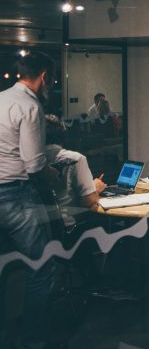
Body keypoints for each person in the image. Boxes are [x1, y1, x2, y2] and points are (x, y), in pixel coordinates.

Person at [0, 50, 58, 348]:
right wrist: (52, 172)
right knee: (42, 266)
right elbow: (33, 163)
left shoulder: (1, 99)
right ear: (44, 77)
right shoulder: (29, 106)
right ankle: (34, 341)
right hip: (14, 194)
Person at [45, 115, 107, 225]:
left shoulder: (26, 161)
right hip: (70, 225)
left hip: (40, 228)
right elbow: (89, 200)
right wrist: (95, 188)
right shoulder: (75, 159)